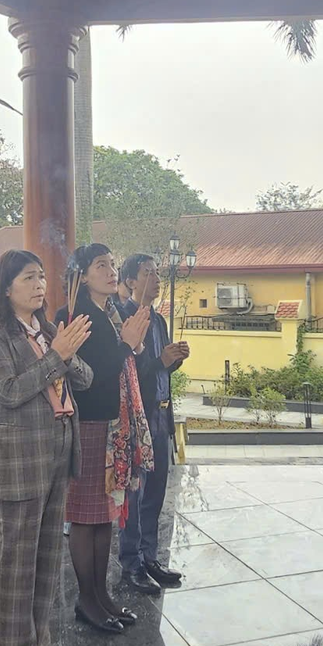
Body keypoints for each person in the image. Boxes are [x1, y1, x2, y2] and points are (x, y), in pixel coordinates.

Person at [0, 250, 92, 646]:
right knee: (17, 561)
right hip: (22, 455)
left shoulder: (49, 330)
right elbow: (8, 391)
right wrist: (56, 355)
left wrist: (66, 351)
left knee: (46, 557)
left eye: (42, 276)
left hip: (59, 445)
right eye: (28, 277)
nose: (40, 285)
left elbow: (86, 378)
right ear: (6, 287)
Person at [55, 243, 154, 634]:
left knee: (103, 517)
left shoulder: (111, 313)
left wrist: (131, 341)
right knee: (85, 517)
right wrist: (127, 343)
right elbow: (92, 374)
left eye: (113, 264)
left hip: (113, 422)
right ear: (81, 274)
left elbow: (129, 364)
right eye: (101, 265)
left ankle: (101, 595)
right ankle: (87, 599)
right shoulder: (75, 315)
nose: (111, 271)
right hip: (90, 423)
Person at [116, 255, 191, 594]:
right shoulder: (124, 319)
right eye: (148, 273)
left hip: (161, 413)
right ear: (131, 281)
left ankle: (150, 557)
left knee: (157, 490)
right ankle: (130, 563)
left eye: (157, 273)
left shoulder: (158, 320)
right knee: (136, 492)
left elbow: (160, 370)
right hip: (139, 415)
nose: (157, 279)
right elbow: (128, 375)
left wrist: (173, 359)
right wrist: (161, 360)